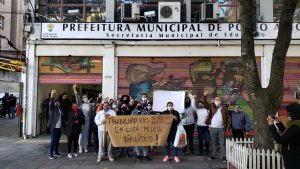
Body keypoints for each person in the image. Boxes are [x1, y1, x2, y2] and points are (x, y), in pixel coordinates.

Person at [267, 103, 300, 169]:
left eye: (289, 113)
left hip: (294, 160)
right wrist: (278, 122)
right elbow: (288, 134)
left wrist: (271, 125)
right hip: (294, 158)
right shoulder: (295, 125)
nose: (287, 115)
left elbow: (280, 139)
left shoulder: (296, 127)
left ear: (294, 113)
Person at [204, 91, 230, 163]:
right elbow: (205, 104)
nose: (217, 101)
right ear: (214, 101)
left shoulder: (224, 109)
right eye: (216, 100)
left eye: (218, 100)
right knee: (214, 142)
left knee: (222, 143)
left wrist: (227, 127)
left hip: (221, 128)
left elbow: (228, 118)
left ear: (220, 101)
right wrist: (205, 96)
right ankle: (213, 155)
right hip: (213, 128)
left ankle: (223, 156)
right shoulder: (211, 107)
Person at [73, 84, 92, 153]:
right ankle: (80, 148)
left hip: (87, 121)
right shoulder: (80, 104)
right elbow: (77, 98)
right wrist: (74, 89)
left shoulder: (90, 105)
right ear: (82, 99)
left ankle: (85, 147)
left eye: (86, 97)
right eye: (84, 98)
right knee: (81, 135)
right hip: (81, 121)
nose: (85, 98)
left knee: (86, 135)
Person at [47, 90, 64, 160]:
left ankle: (56, 152)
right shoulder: (52, 109)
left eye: (58, 102)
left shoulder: (60, 109)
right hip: (54, 127)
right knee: (53, 140)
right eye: (56, 102)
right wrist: (52, 95)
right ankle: (51, 154)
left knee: (57, 140)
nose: (57, 103)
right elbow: (50, 103)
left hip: (59, 127)